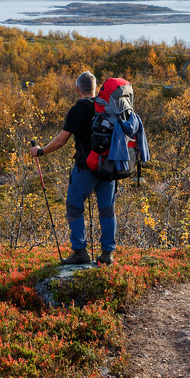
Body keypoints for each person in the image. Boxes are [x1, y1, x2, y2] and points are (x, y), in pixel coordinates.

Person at [30, 71, 116, 265]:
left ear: (78, 89)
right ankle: (107, 254)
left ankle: (80, 252)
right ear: (95, 87)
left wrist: (41, 151)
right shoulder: (107, 106)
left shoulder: (78, 109)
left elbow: (61, 140)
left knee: (75, 206)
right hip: (109, 167)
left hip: (86, 167)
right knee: (107, 209)